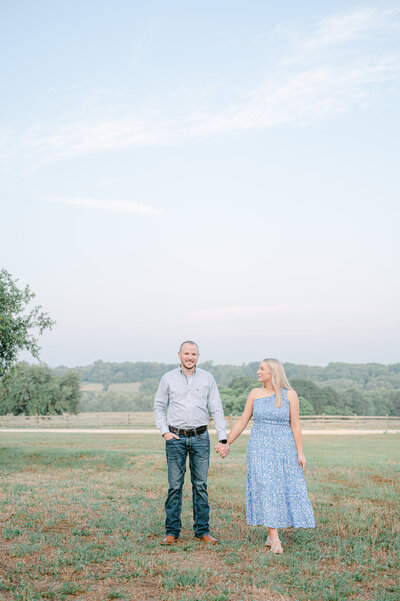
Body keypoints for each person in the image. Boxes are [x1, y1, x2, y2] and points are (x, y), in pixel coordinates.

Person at [215, 358, 315, 554]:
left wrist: (300, 453)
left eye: (262, 369)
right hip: (259, 447)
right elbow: (243, 420)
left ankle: (271, 534)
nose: (258, 371)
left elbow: (295, 425)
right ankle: (275, 536)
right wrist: (226, 443)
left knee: (282, 487)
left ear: (273, 372)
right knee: (267, 487)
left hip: (284, 448)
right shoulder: (255, 394)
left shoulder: (290, 395)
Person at [154, 340, 229, 546]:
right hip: (175, 438)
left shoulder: (207, 378)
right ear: (179, 354)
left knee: (200, 486)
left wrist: (222, 438)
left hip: (200, 438)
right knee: (175, 486)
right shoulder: (168, 378)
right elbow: (159, 407)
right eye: (186, 353)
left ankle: (202, 531)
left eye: (193, 354)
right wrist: (164, 432)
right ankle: (172, 532)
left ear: (198, 356)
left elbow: (217, 408)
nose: (190, 357)